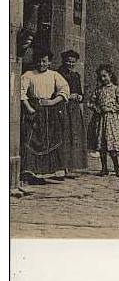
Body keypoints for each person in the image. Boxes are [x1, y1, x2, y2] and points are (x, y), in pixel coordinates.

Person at [19, 51, 70, 183]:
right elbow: (21, 92)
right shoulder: (28, 75)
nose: (41, 64)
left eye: (44, 61)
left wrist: (53, 101)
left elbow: (64, 89)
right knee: (32, 138)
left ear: (49, 62)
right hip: (34, 109)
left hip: (50, 111)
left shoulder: (54, 75)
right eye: (39, 61)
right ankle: (30, 170)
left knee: (52, 138)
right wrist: (29, 108)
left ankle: (52, 171)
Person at [87, 64, 119, 177]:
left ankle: (117, 167)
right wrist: (96, 108)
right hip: (100, 120)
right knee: (101, 144)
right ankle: (104, 168)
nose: (103, 79)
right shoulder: (98, 90)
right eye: (101, 77)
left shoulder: (116, 89)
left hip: (111, 120)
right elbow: (90, 102)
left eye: (105, 76)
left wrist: (111, 108)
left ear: (110, 75)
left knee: (111, 145)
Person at [58, 50, 89, 171]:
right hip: (63, 107)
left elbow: (80, 93)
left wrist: (80, 96)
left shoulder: (76, 76)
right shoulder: (58, 74)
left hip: (74, 110)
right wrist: (68, 96)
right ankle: (63, 166)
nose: (70, 64)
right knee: (65, 135)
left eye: (73, 62)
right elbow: (55, 93)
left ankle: (73, 166)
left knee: (75, 135)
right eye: (68, 61)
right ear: (63, 61)